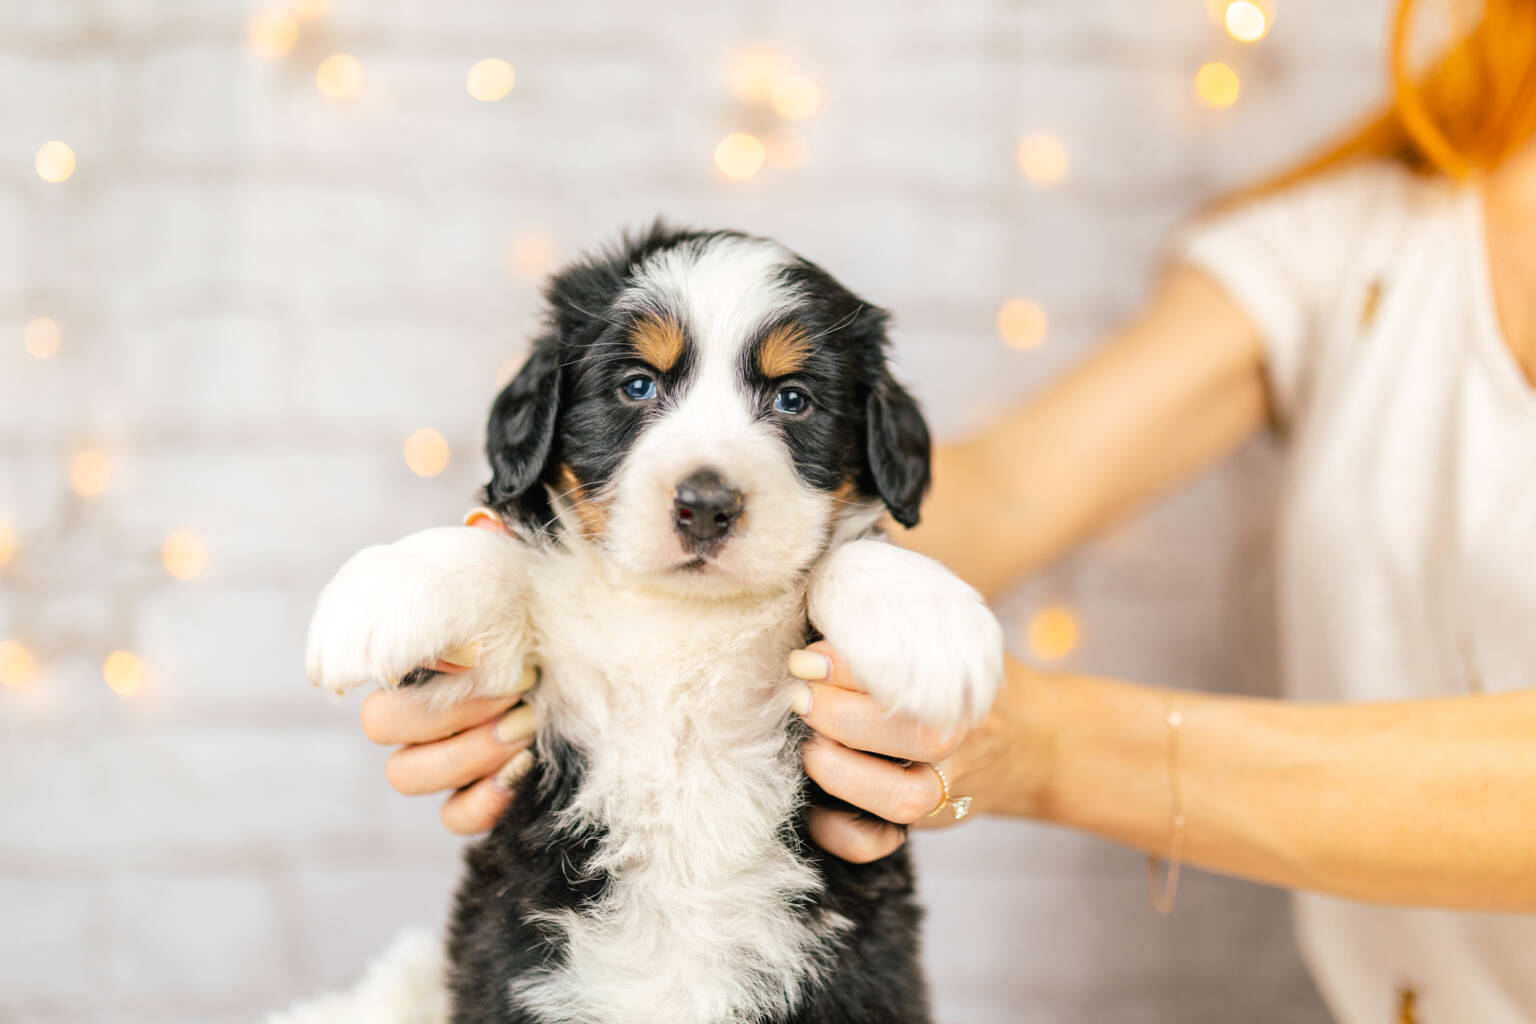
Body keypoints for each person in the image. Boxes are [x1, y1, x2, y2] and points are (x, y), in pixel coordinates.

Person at [356, 1, 1536, 1020]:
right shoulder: (1377, 226)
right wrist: (550, 606)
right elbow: (1012, 485)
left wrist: (1048, 740)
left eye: (790, 399)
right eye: (638, 386)